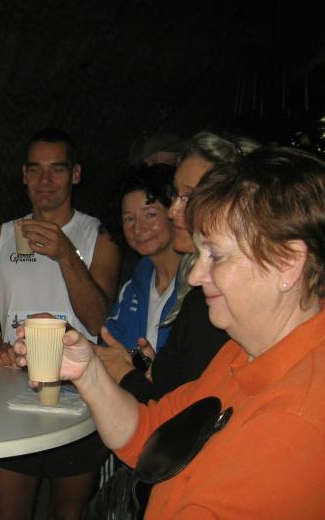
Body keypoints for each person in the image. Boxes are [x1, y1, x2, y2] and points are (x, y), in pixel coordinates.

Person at [15, 147, 325, 520]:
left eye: (217, 256)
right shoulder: (247, 351)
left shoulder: (299, 418)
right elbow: (154, 434)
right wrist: (86, 371)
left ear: (288, 263)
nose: (195, 275)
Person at [0, 128, 120, 520]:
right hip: (11, 395)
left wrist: (66, 255)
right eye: (35, 170)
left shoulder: (99, 236)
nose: (45, 181)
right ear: (23, 175)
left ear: (75, 174)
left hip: (78, 395)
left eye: (56, 169)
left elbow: (101, 323)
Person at [97, 132, 258, 403]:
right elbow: (178, 384)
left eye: (189, 196)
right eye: (176, 194)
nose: (173, 211)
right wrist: (152, 368)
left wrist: (126, 374)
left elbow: (187, 411)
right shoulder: (142, 280)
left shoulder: (219, 296)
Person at [104, 164, 179, 352]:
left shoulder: (199, 285)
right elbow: (112, 349)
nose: (138, 228)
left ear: (174, 214)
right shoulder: (134, 287)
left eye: (150, 215)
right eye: (129, 219)